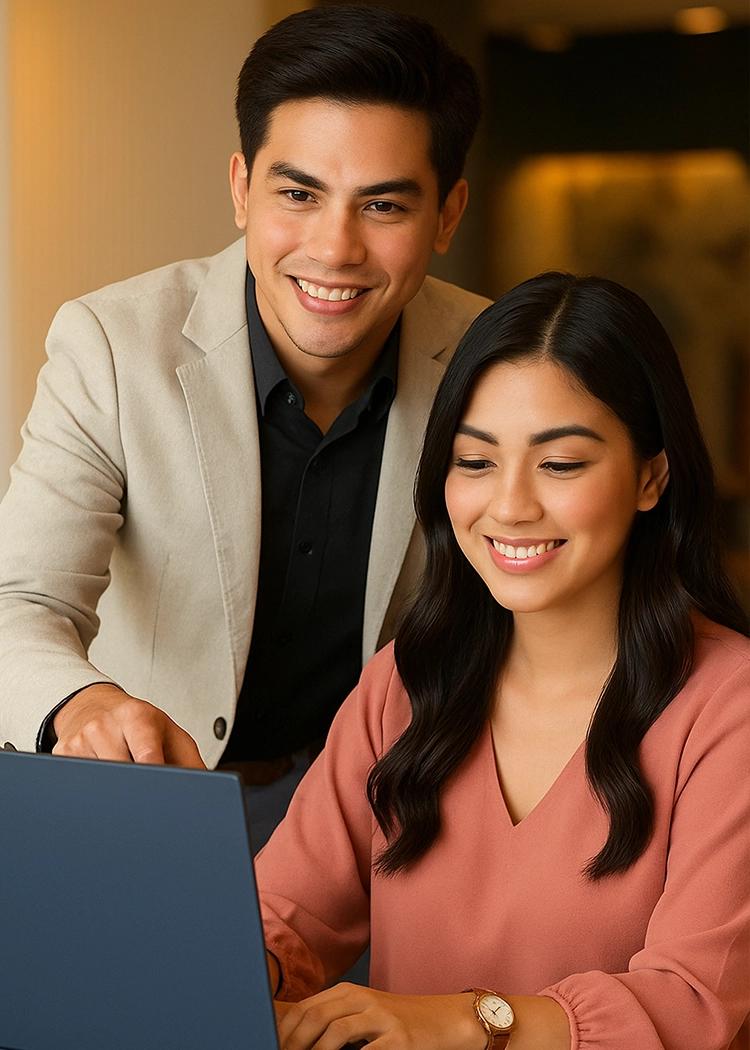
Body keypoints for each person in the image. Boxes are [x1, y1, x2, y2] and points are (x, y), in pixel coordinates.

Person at [0, 7, 488, 821]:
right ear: (241, 189)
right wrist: (80, 705)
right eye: (298, 193)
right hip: (161, 806)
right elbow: (21, 601)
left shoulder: (496, 360)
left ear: (446, 215)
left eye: (384, 207)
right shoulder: (114, 346)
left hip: (403, 816)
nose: (334, 249)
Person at [254, 272, 750, 1050]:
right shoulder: (405, 681)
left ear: (652, 476)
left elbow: (693, 1003)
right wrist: (227, 966)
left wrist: (470, 1020)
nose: (510, 506)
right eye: (475, 462)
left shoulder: (730, 707)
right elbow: (284, 917)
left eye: (560, 465)